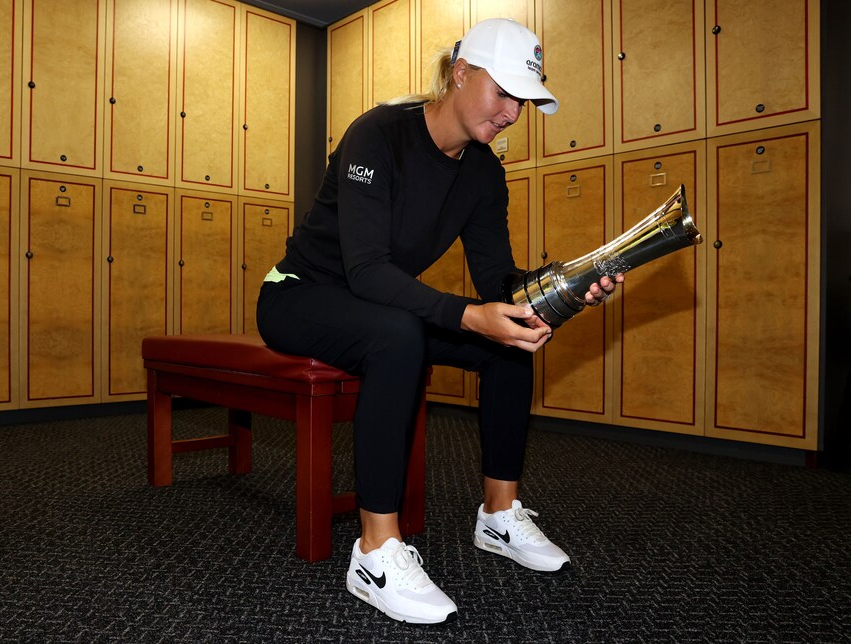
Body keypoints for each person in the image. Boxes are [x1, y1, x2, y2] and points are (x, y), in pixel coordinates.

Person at [256, 18, 622, 624]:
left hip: (376, 303)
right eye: (502, 93)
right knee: (398, 335)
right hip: (302, 295)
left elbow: (496, 282)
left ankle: (500, 517)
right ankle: (375, 551)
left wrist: (565, 288)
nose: (511, 113)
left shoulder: (483, 172)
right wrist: (469, 315)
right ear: (460, 73)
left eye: (523, 102)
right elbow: (368, 271)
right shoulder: (377, 135)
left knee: (507, 342)